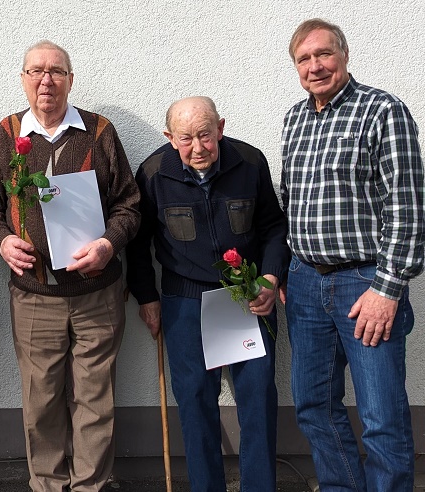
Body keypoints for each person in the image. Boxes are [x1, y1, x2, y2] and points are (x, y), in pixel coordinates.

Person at [0, 40, 140, 492]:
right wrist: (3, 240)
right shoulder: (7, 136)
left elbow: (129, 205)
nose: (47, 80)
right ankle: (47, 485)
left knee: (95, 400)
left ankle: (90, 486)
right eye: (37, 71)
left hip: (98, 293)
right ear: (24, 79)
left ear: (70, 78)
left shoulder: (99, 132)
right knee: (40, 400)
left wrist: (108, 244)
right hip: (34, 296)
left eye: (57, 71)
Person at [280, 18, 423, 491]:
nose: (315, 66)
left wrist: (388, 289)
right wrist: (284, 273)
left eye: (324, 54)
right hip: (304, 283)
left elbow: (407, 208)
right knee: (314, 405)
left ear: (344, 55)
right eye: (304, 58)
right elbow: (291, 202)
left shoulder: (382, 111)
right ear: (295, 67)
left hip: (366, 283)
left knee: (381, 416)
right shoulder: (295, 119)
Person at [125, 96, 289, 491]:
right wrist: (147, 298)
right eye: (186, 138)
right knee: (196, 403)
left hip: (245, 297)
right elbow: (136, 244)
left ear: (221, 127)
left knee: (257, 402)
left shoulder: (250, 163)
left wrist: (269, 277)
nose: (198, 148)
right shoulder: (151, 173)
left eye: (206, 135)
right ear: (169, 137)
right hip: (184, 302)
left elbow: (273, 227)